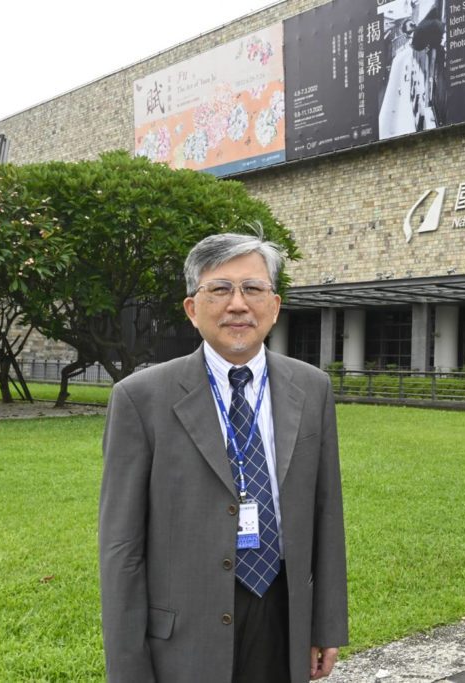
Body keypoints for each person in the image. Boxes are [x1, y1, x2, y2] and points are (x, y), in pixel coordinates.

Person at [99, 231, 348, 682]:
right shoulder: (140, 398)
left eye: (252, 289)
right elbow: (121, 547)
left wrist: (326, 623)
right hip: (184, 633)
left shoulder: (312, 388)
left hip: (281, 614)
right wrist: (128, 668)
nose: (238, 304)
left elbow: (326, 513)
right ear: (193, 309)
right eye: (220, 289)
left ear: (274, 305)